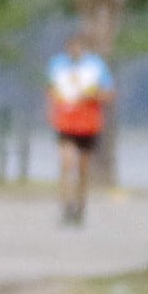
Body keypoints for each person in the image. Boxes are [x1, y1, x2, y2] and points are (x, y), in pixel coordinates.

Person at [44, 24, 112, 226]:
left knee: (82, 168)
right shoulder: (57, 64)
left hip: (88, 124)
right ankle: (66, 204)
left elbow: (108, 93)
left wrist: (91, 95)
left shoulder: (96, 66)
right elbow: (51, 90)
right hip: (65, 123)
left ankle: (80, 205)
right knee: (66, 163)